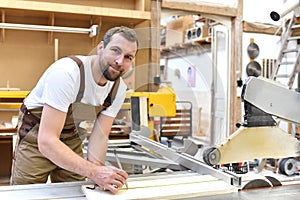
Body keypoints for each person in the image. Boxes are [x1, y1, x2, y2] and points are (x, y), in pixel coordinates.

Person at [10, 26, 138, 194]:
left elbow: (100, 135)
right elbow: (47, 140)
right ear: (101, 48)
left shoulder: (118, 89)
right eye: (115, 50)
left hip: (72, 137)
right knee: (27, 193)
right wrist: (92, 171)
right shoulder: (68, 72)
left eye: (128, 57)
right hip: (36, 135)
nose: (120, 61)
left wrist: (97, 175)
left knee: (76, 192)